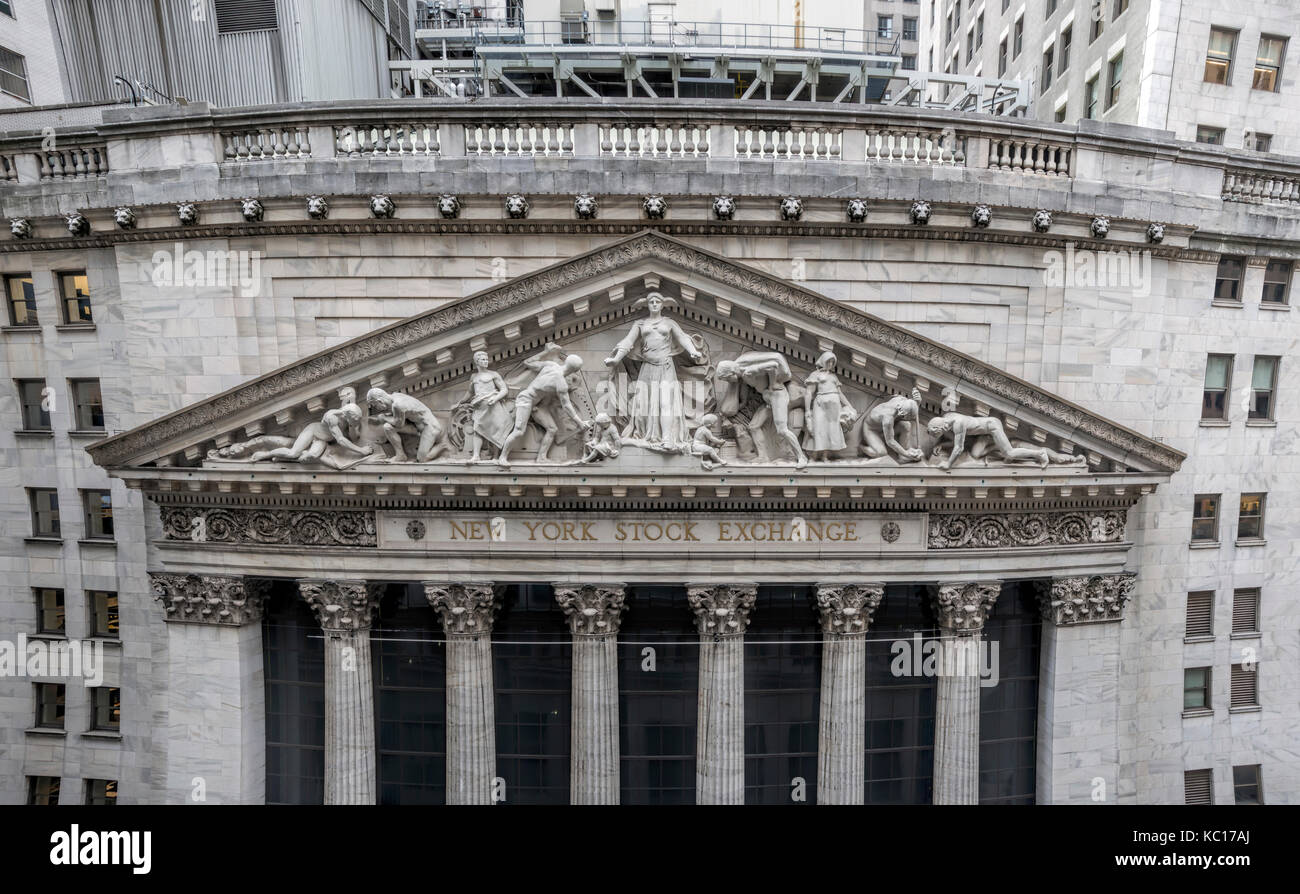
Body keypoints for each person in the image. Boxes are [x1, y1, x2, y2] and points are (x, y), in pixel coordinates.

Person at [603, 292, 703, 448]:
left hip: (666, 367)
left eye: (658, 301)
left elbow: (682, 337)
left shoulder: (669, 323)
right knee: (646, 405)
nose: (655, 304)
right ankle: (648, 435)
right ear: (647, 304)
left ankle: (667, 438)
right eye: (651, 302)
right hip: (648, 369)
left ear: (663, 304)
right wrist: (616, 359)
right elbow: (628, 341)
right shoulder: (640, 324)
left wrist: (692, 350)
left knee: (665, 403)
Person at [498, 343, 590, 467]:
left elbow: (528, 362)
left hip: (537, 405)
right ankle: (502, 457)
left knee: (552, 429)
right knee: (519, 431)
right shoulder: (561, 383)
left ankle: (541, 457)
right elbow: (567, 406)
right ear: (574, 370)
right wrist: (579, 422)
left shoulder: (551, 365)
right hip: (526, 399)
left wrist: (545, 352)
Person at [715, 351, 808, 469]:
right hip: (768, 400)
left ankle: (801, 457)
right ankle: (763, 456)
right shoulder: (743, 375)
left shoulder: (749, 371)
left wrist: (773, 384)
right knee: (753, 426)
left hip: (777, 396)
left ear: (732, 373)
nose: (728, 381)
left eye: (726, 378)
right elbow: (742, 401)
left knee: (782, 430)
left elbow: (773, 365)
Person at [251, 401, 372, 470]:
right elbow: (341, 440)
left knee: (311, 456)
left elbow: (354, 437)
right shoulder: (332, 417)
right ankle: (266, 454)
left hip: (323, 440)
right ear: (348, 416)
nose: (355, 424)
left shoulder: (346, 417)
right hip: (313, 432)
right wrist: (361, 450)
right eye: (354, 421)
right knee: (293, 453)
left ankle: (281, 458)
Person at [803, 351, 858, 462]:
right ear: (823, 361)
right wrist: (807, 410)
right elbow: (809, 393)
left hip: (834, 407)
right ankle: (813, 455)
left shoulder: (833, 377)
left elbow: (840, 394)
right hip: (820, 405)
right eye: (828, 362)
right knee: (818, 429)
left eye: (832, 362)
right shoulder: (815, 375)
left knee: (830, 430)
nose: (830, 364)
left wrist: (849, 406)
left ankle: (824, 455)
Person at [366, 387, 445, 462]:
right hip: (416, 426)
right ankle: (400, 455)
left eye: (375, 405)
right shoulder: (395, 396)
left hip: (430, 427)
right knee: (387, 427)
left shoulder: (398, 405)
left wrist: (384, 417)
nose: (376, 408)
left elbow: (398, 424)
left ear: (380, 401)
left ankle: (443, 445)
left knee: (422, 459)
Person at [461, 350, 511, 462]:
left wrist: (495, 398)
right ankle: (476, 455)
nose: (486, 361)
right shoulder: (474, 376)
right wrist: (460, 402)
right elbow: (469, 392)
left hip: (493, 406)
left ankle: (496, 457)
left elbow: (504, 389)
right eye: (483, 359)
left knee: (496, 430)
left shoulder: (493, 374)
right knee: (477, 430)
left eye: (486, 359)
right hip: (480, 408)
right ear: (477, 362)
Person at [860, 387, 925, 462]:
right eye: (904, 417)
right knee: (881, 453)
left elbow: (911, 407)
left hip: (887, 428)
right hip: (872, 430)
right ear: (900, 412)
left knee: (906, 425)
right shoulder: (888, 417)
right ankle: (862, 448)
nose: (904, 418)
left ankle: (902, 454)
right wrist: (907, 454)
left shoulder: (902, 400)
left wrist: (917, 403)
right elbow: (890, 441)